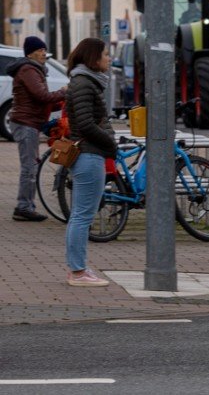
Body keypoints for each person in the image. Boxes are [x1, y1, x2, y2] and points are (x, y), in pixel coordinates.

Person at [63, 38, 115, 287]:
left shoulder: (83, 81)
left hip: (88, 153)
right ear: (93, 58)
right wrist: (110, 143)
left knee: (80, 215)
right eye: (105, 54)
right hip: (89, 154)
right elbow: (85, 124)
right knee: (83, 216)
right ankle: (78, 272)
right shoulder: (84, 83)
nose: (109, 58)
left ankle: (78, 268)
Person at [10, 36, 64, 222]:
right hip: (26, 123)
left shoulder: (35, 70)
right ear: (30, 53)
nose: (44, 53)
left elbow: (42, 101)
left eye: (44, 50)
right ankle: (24, 207)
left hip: (30, 122)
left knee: (31, 165)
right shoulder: (28, 70)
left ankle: (26, 206)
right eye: (40, 50)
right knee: (29, 167)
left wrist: (61, 102)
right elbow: (42, 96)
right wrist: (64, 91)